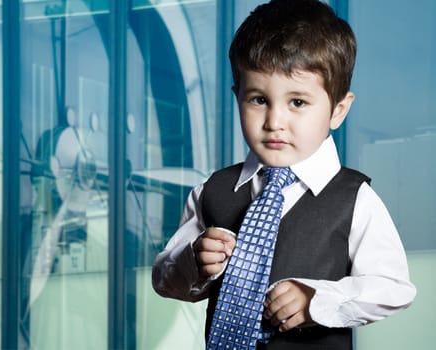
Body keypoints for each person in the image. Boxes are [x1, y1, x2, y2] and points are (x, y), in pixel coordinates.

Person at [151, 0, 416, 349]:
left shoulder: (355, 199)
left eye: (298, 103)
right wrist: (193, 261)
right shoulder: (211, 191)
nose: (274, 121)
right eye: (259, 99)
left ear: (338, 110)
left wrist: (317, 299)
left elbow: (393, 287)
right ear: (238, 97)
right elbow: (164, 279)